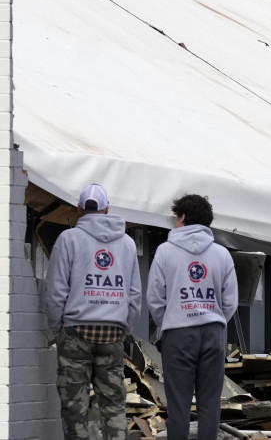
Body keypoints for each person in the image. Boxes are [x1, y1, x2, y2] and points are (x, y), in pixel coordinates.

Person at [44, 183, 142, 440]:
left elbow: (56, 291)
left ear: (78, 209)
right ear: (107, 209)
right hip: (113, 332)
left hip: (75, 331)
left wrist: (56, 330)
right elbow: (134, 295)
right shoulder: (128, 245)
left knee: (74, 406)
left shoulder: (68, 239)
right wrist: (125, 328)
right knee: (114, 405)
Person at [147, 194, 238, 440]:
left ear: (183, 217)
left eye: (176, 217)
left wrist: (170, 321)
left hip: (178, 333)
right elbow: (230, 302)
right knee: (210, 405)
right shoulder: (222, 254)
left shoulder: (165, 252)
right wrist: (213, 319)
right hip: (213, 333)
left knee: (178, 406)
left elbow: (155, 298)